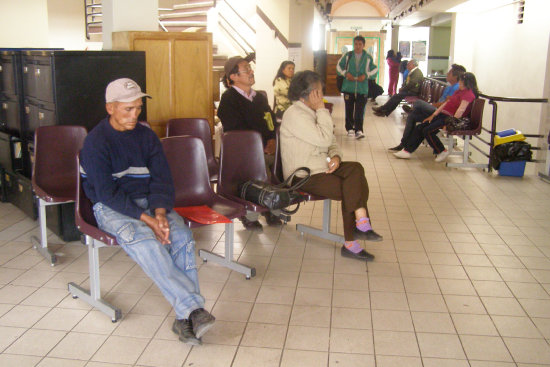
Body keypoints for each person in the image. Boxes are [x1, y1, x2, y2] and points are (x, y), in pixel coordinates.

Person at [80, 78, 215, 346]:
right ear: (110, 108)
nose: (134, 116)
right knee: (144, 239)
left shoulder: (146, 136)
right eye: (127, 109)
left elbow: (162, 179)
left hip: (149, 203)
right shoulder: (96, 142)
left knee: (183, 239)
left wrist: (161, 214)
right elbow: (107, 194)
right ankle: (193, 309)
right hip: (112, 208)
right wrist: (149, 220)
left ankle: (184, 318)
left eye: (137, 109)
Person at [280, 70, 383, 261]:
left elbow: (331, 142)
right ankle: (354, 236)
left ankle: (360, 225)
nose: (322, 95)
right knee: (351, 186)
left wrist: (335, 156)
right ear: (310, 94)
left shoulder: (311, 111)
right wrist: (321, 109)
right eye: (319, 91)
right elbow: (324, 138)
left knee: (356, 169)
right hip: (303, 174)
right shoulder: (295, 114)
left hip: (322, 166)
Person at [217, 56, 282, 230]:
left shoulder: (259, 97)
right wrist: (257, 148)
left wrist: (272, 140)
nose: (251, 72)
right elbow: (235, 132)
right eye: (246, 69)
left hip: (264, 149)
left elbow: (270, 122)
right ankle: (251, 213)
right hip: (241, 153)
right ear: (234, 77)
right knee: (258, 170)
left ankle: (271, 205)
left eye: (250, 68)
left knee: (282, 164)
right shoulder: (228, 100)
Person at [394, 72, 479, 162]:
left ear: (467, 82)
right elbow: (446, 103)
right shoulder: (459, 91)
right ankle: (407, 151)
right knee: (420, 127)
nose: (460, 83)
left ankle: (441, 151)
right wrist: (433, 115)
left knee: (428, 131)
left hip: (449, 118)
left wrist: (451, 122)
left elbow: (461, 110)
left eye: (461, 81)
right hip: (442, 114)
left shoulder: (468, 94)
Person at [389, 64, 466, 151]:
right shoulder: (450, 87)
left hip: (440, 112)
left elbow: (446, 104)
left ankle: (414, 110)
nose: (447, 74)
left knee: (418, 102)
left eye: (449, 73)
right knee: (412, 116)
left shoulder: (456, 89)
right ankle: (403, 143)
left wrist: (432, 105)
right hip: (437, 109)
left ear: (455, 76)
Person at [336, 35, 378, 139]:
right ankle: (350, 129)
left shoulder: (368, 57)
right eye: (355, 44)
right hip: (348, 87)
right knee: (349, 109)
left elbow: (375, 69)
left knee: (360, 110)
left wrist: (366, 75)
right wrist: (346, 74)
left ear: (363, 45)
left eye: (360, 44)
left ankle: (359, 129)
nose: (357, 46)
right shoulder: (347, 56)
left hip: (362, 88)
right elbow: (338, 66)